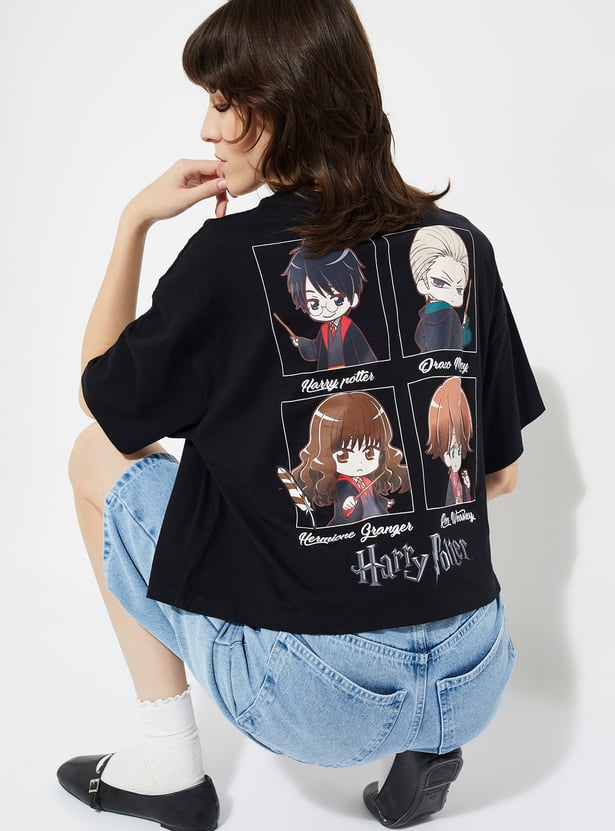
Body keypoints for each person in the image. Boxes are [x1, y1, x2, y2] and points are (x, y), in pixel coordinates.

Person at [57, 1, 545, 829]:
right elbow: (496, 473)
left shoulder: (226, 258)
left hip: (320, 697)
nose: (206, 128)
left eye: (222, 102)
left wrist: (133, 220)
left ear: (280, 102)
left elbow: (105, 403)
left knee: (90, 456)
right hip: (474, 671)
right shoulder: (459, 244)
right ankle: (426, 730)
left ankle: (169, 766)